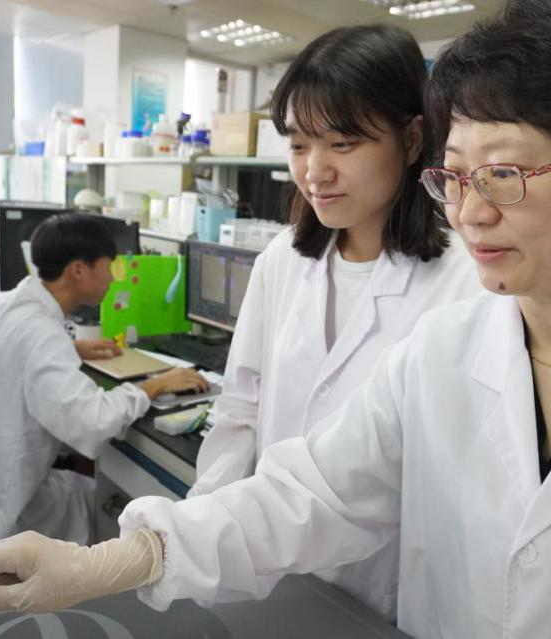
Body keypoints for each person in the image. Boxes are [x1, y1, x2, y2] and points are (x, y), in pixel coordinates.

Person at [0, 2, 551, 638]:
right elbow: (310, 493)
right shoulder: (443, 351)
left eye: (504, 173)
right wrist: (114, 559)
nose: (471, 211)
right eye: (456, 175)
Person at [186, 24, 479, 619]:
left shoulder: (468, 281)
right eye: (299, 145)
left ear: (412, 138)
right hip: (265, 569)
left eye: (342, 143)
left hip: (383, 591)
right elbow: (240, 413)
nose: (314, 171)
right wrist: (197, 538)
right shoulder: (282, 260)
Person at [0, 212, 208, 546]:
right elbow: (92, 422)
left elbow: (9, 350)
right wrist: (153, 386)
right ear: (78, 270)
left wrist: (71, 347)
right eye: (109, 267)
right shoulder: (42, 335)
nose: (111, 278)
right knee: (97, 501)